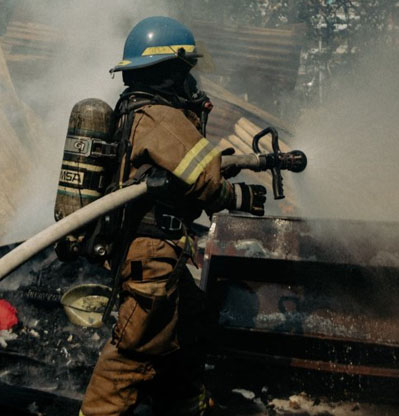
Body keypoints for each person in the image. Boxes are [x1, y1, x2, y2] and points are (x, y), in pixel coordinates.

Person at [80, 16, 267, 416]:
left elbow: (180, 170)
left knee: (188, 327)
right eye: (186, 71)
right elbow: (204, 180)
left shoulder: (138, 111)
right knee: (132, 351)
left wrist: (229, 164)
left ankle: (186, 407)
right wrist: (240, 195)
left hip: (160, 252)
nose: (191, 82)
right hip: (154, 255)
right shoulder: (162, 116)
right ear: (171, 69)